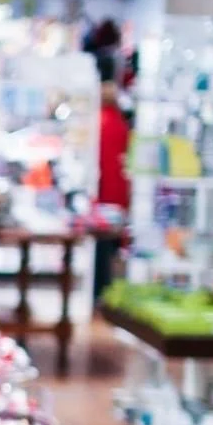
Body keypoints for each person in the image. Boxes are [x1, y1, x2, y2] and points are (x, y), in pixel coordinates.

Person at [93, 50, 130, 301]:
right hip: (117, 191)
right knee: (108, 246)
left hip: (104, 191)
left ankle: (100, 291)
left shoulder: (101, 122)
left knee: (101, 246)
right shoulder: (118, 122)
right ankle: (105, 290)